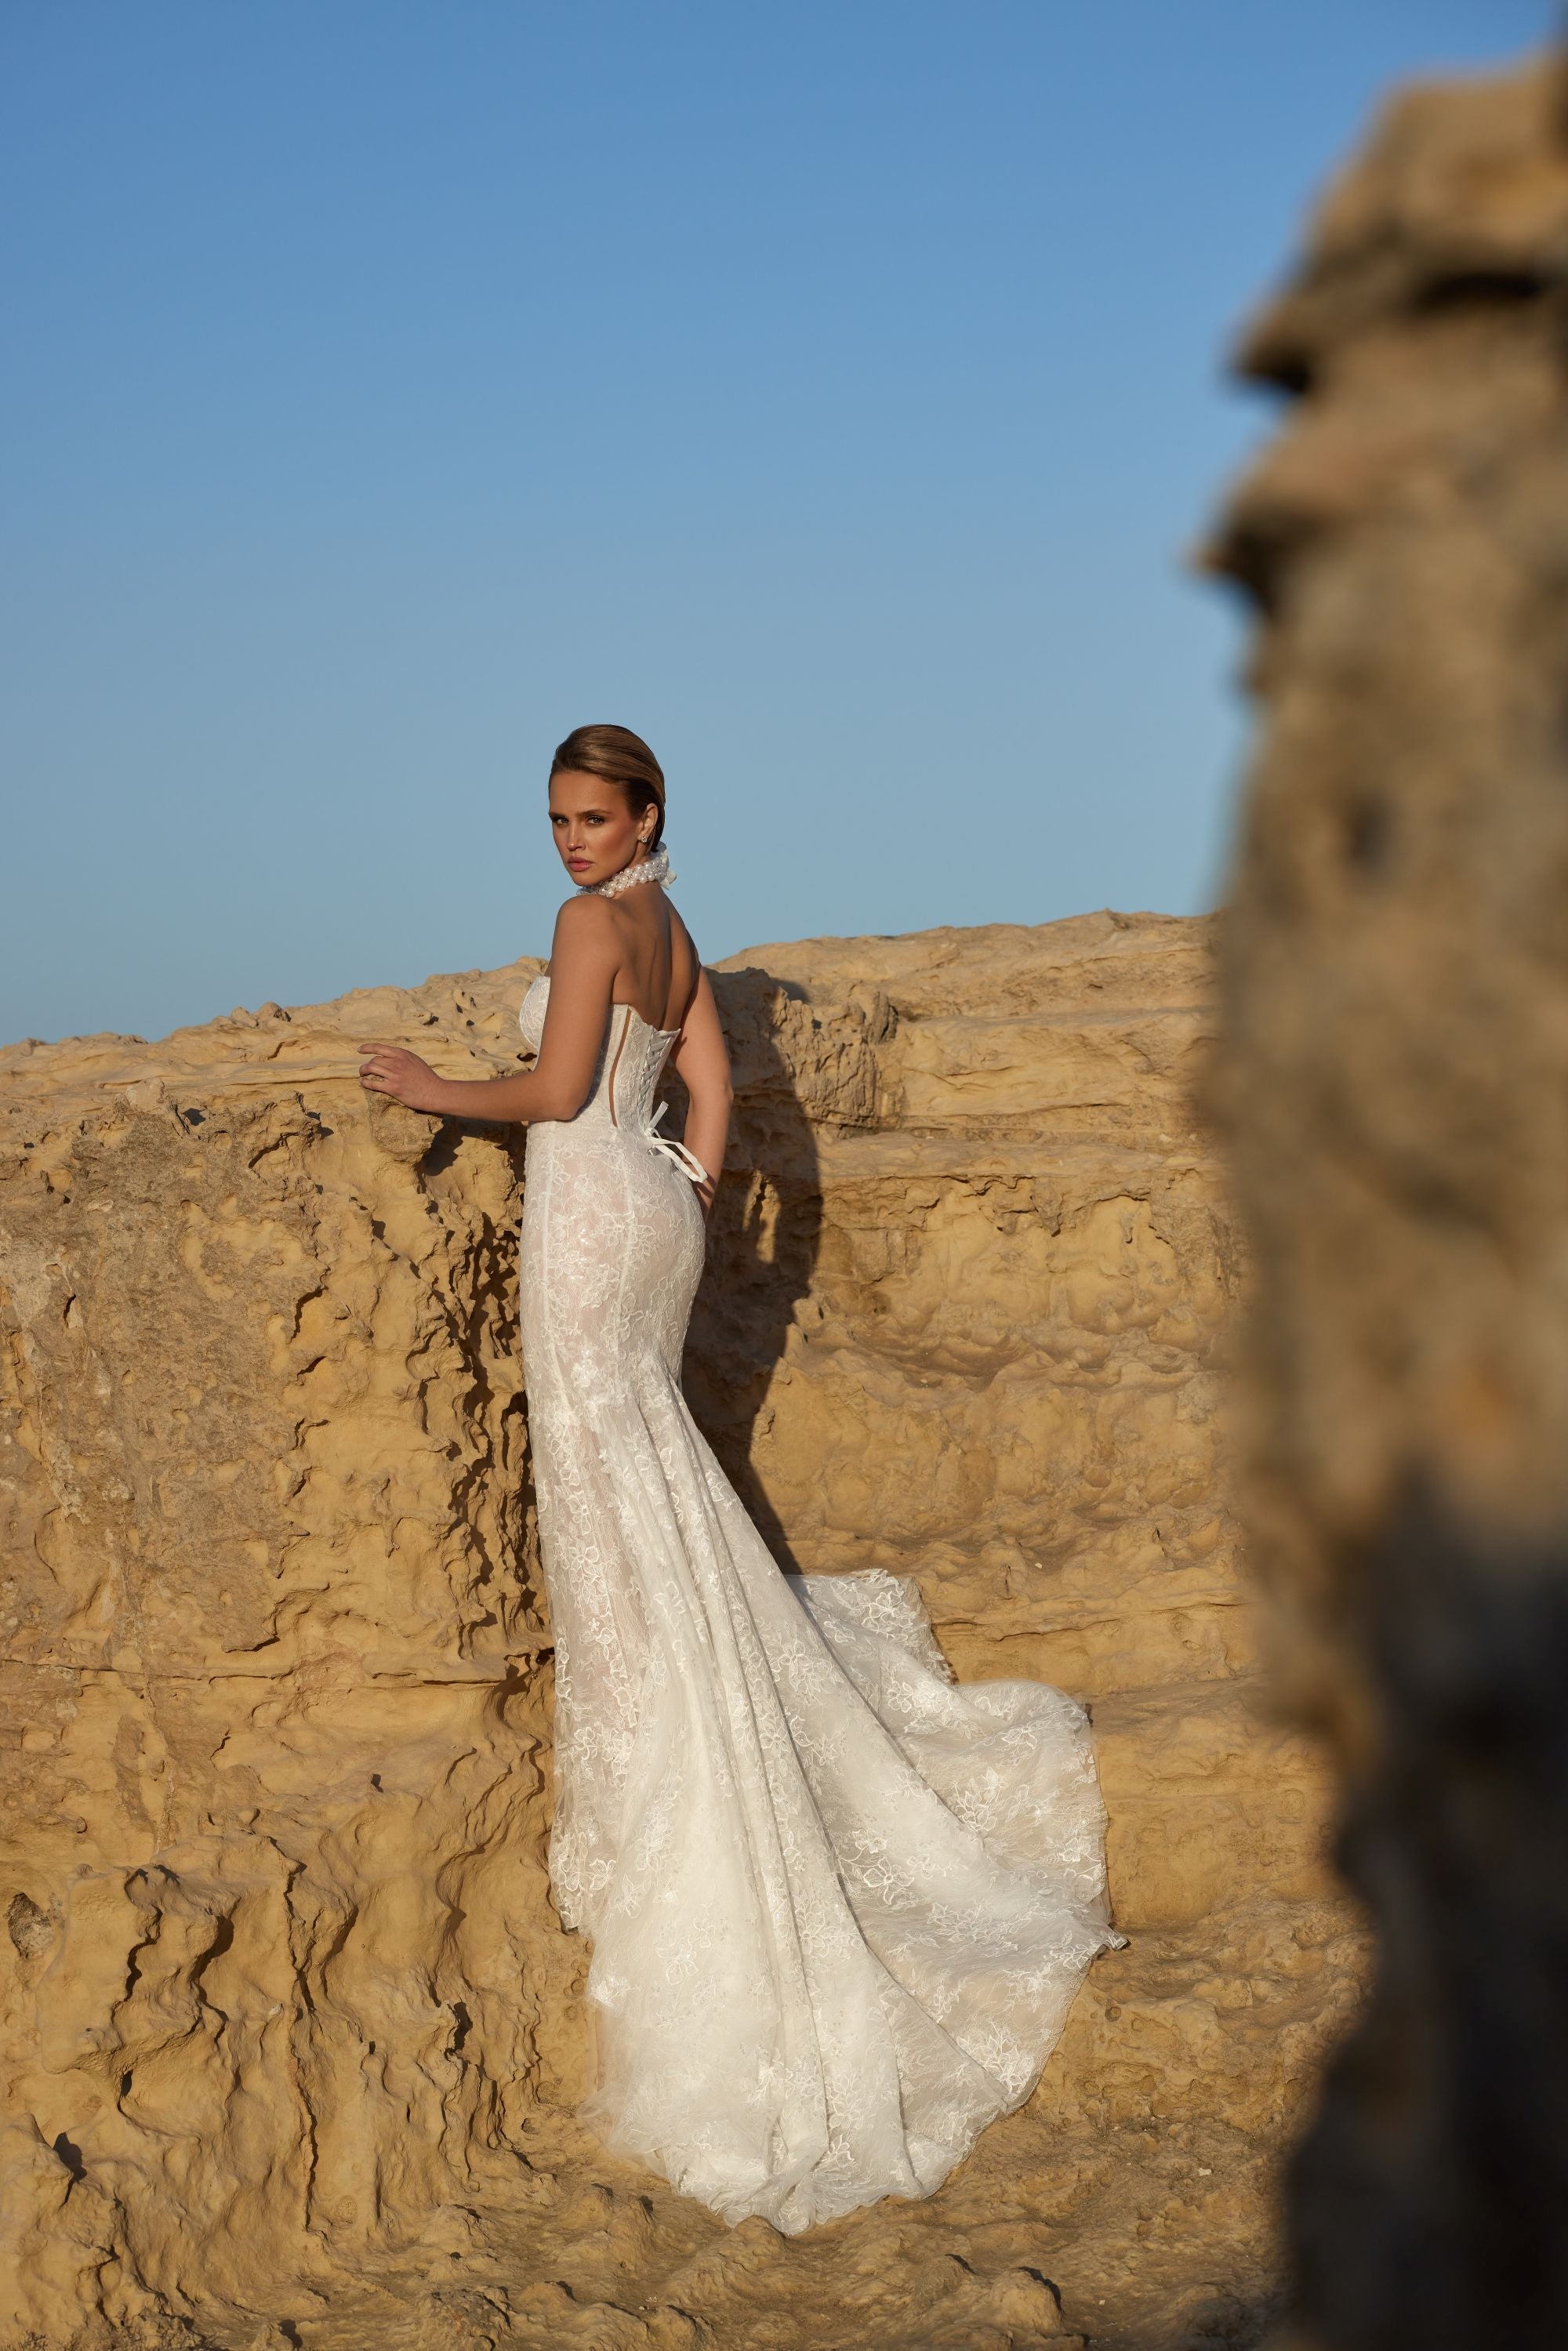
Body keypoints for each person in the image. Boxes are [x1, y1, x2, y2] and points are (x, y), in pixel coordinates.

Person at [358, 723, 1122, 2235]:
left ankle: (657, 1766)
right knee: (648, 1463)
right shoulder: (671, 919)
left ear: (644, 813)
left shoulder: (593, 926)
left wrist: (432, 1083)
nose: (570, 841)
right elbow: (701, 1070)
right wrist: (699, 1171)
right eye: (557, 820)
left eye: (592, 817)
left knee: (600, 1471)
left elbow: (561, 1086)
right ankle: (688, 1709)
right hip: (659, 1214)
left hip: (587, 1222)